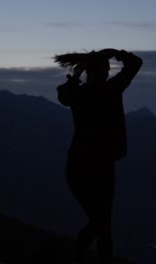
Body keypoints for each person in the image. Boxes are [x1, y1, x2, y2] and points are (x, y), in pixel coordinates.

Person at [55, 49, 142, 263]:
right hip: (100, 166)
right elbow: (136, 63)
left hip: (78, 166)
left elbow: (63, 95)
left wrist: (77, 73)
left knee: (100, 222)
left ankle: (77, 256)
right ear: (104, 71)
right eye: (106, 67)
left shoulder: (78, 93)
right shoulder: (112, 89)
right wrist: (118, 53)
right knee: (102, 224)